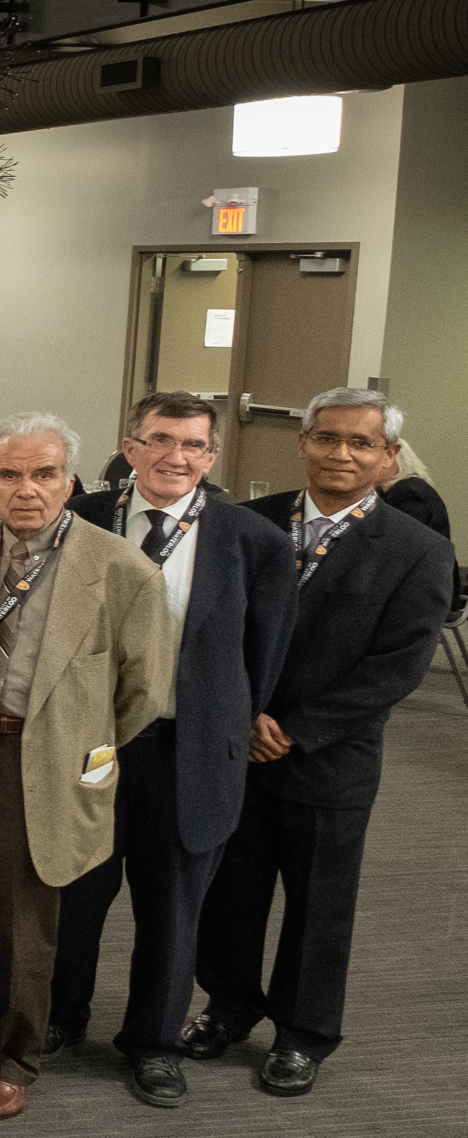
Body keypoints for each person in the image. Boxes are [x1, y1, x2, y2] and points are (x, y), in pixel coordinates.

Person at [0, 412, 172, 1121]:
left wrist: (70, 737)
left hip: (32, 756)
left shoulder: (121, 569)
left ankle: (10, 1057)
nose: (26, 489)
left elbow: (141, 695)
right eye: (8, 473)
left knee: (20, 923)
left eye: (44, 473)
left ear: (69, 480)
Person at [192, 388, 451, 1098]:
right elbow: (208, 631)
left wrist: (296, 730)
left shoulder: (417, 549)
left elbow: (395, 667)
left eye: (360, 443)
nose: (340, 454)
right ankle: (227, 1004)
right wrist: (241, 714)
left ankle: (303, 1035)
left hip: (330, 760)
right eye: (326, 438)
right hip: (238, 748)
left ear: (387, 456)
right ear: (301, 441)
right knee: (229, 893)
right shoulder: (244, 523)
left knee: (318, 906)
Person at [43, 392, 295, 1106]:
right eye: (158, 439)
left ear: (211, 457)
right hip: (89, 746)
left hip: (187, 751)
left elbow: (263, 654)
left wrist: (225, 719)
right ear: (129, 446)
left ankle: (152, 1043)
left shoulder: (252, 540)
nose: (174, 457)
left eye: (192, 445)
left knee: (172, 910)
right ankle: (58, 1016)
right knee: (73, 896)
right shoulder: (79, 518)